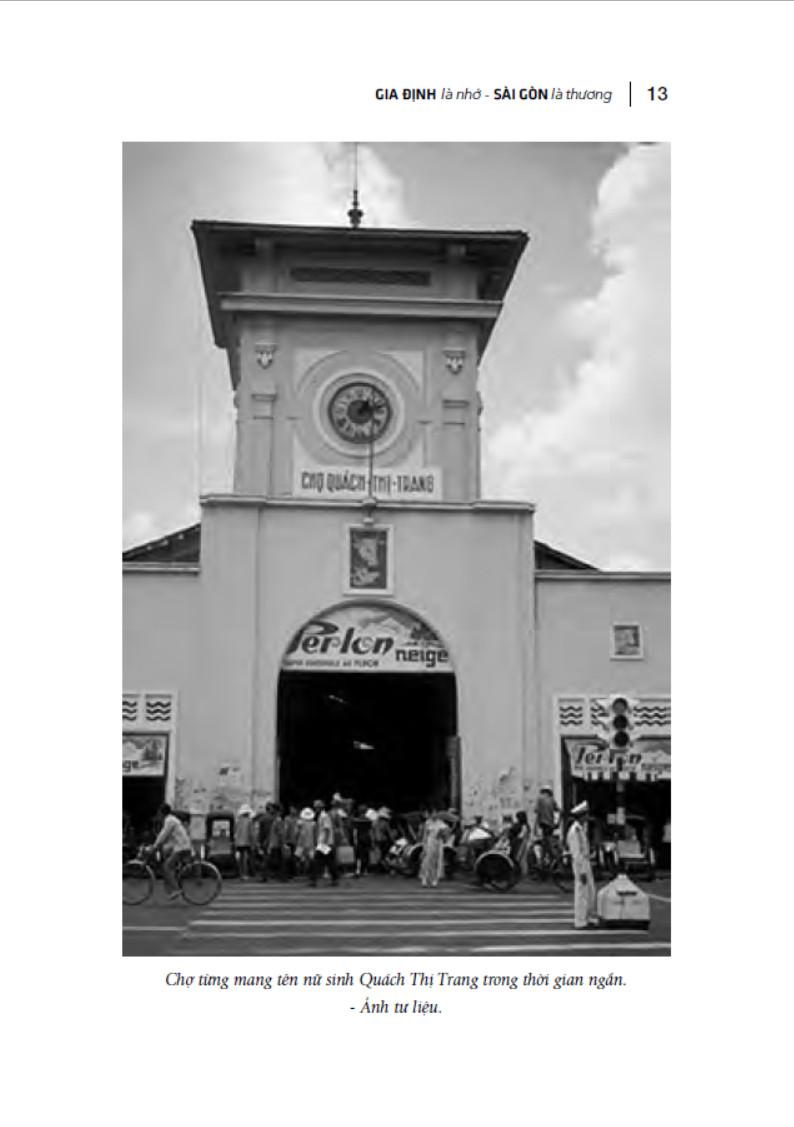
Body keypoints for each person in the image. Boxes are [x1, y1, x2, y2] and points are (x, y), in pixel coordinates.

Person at [566, 800, 597, 929]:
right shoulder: (575, 831)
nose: (587, 817)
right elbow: (576, 854)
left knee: (590, 891)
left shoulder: (581, 829)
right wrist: (582, 871)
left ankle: (587, 918)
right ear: (581, 816)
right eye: (585, 815)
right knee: (582, 893)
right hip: (580, 864)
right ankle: (580, 921)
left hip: (585, 861)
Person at [151, 803, 192, 900]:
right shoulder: (172, 820)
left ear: (162, 813)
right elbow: (169, 838)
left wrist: (154, 846)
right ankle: (171, 887)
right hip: (181, 846)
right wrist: (160, 846)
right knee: (168, 862)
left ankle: (176, 889)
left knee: (167, 866)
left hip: (182, 847)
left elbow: (163, 835)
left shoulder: (169, 821)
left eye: (159, 813)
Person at [310, 800, 339, 886]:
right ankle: (334, 878)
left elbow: (327, 829)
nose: (315, 809)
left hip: (324, 843)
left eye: (316, 807)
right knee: (329, 861)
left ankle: (314, 880)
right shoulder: (321, 816)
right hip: (324, 842)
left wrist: (324, 843)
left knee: (317, 860)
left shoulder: (324, 816)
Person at [419, 810, 448, 888]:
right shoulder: (427, 823)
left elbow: (445, 834)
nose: (434, 815)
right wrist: (424, 845)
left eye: (435, 813)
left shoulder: (441, 823)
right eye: (432, 813)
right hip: (430, 842)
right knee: (427, 861)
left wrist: (442, 834)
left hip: (438, 843)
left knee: (436, 861)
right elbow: (425, 835)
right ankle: (424, 880)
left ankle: (435, 880)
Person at [534, 786, 561, 861]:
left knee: (547, 842)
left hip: (543, 824)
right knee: (546, 842)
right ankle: (547, 859)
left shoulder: (540, 799)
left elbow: (536, 811)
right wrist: (558, 822)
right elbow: (559, 810)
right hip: (551, 825)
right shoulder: (552, 799)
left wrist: (535, 828)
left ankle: (552, 858)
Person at [352, 804, 373, 877]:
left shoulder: (356, 820)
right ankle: (365, 870)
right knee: (366, 855)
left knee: (358, 856)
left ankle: (358, 870)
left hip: (359, 839)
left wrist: (355, 840)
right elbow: (370, 831)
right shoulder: (368, 820)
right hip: (366, 839)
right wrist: (371, 841)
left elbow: (355, 832)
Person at [235, 803, 254, 880]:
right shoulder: (249, 821)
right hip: (246, 842)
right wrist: (253, 842)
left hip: (239, 842)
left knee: (240, 858)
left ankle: (240, 873)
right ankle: (245, 874)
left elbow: (235, 831)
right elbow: (251, 833)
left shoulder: (238, 820)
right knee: (245, 858)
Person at [295, 807, 316, 875]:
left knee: (298, 857)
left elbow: (296, 833)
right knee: (310, 858)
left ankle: (300, 871)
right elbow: (315, 834)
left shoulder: (300, 823)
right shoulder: (313, 824)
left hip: (301, 843)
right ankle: (310, 872)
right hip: (310, 843)